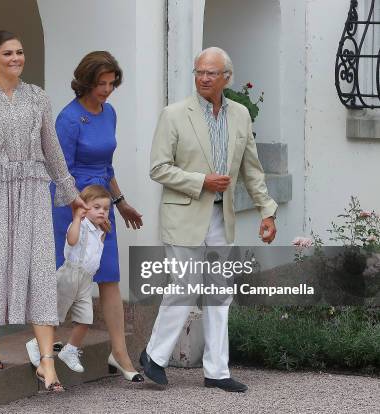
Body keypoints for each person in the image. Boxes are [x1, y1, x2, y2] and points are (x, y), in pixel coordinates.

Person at [0, 30, 86, 393]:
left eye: (20, 52)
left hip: (34, 189)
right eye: (8, 53)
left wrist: (70, 193)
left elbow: (52, 149)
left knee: (39, 269)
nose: (16, 58)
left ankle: (47, 363)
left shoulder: (38, 97)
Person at [139, 47, 278, 392]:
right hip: (183, 216)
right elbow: (158, 168)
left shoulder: (242, 115)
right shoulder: (174, 115)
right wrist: (201, 181)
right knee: (185, 288)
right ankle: (154, 357)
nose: (203, 78)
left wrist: (267, 210)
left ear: (226, 78)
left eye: (211, 73)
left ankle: (216, 370)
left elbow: (252, 170)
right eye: (199, 72)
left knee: (219, 293)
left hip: (222, 217)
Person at [51, 51, 144, 382]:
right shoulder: (69, 118)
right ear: (86, 81)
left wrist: (120, 203)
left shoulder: (110, 113)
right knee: (69, 277)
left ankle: (119, 353)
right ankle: (44, 348)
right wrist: (85, 210)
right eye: (100, 83)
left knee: (109, 277)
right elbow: (62, 171)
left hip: (102, 207)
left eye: (111, 83)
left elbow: (106, 167)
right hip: (73, 206)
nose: (106, 90)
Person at [26, 185, 110, 373]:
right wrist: (76, 219)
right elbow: (72, 241)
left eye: (105, 209)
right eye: (96, 207)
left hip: (86, 280)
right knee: (55, 317)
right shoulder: (79, 226)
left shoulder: (99, 232)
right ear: (85, 207)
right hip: (69, 275)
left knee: (86, 319)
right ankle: (35, 344)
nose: (102, 212)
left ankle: (70, 350)